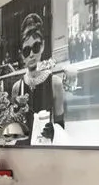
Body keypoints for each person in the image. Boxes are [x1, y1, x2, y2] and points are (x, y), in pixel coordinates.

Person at [11, 13, 65, 144]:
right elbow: (13, 131)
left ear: (42, 46)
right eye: (26, 50)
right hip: (22, 150)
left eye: (35, 47)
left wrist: (54, 131)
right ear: (21, 54)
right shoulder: (17, 87)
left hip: (44, 149)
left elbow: (61, 125)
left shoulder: (55, 83)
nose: (31, 55)